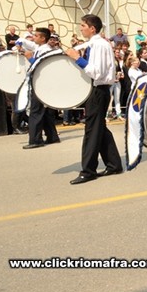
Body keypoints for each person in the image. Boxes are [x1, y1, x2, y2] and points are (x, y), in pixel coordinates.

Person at [66, 14, 123, 185]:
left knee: (92, 130)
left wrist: (77, 58)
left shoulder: (99, 45)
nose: (80, 28)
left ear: (92, 28)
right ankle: (114, 164)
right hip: (98, 90)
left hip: (98, 90)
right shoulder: (94, 44)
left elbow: (96, 72)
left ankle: (88, 171)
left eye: (83, 25)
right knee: (100, 128)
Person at [16, 27, 60, 149]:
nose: (33, 38)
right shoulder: (41, 48)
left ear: (42, 38)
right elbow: (26, 43)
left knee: (35, 112)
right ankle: (52, 136)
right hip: (42, 84)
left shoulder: (45, 50)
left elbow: (41, 66)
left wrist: (30, 58)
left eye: (36, 36)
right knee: (45, 112)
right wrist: (21, 45)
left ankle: (35, 140)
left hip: (40, 84)